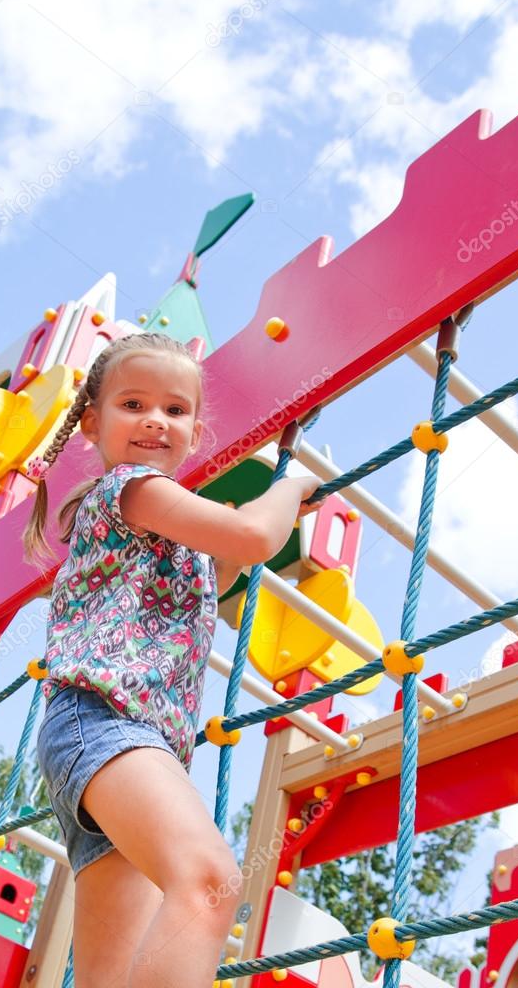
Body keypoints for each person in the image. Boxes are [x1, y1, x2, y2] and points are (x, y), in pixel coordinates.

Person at [22, 331, 323, 988]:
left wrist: (235, 535)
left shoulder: (161, 534)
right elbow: (254, 536)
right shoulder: (130, 488)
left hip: (122, 746)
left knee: (110, 975)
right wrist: (293, 486)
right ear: (93, 424)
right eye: (133, 404)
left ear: (195, 430)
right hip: (103, 724)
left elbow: (210, 577)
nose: (156, 419)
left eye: (175, 410)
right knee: (210, 882)